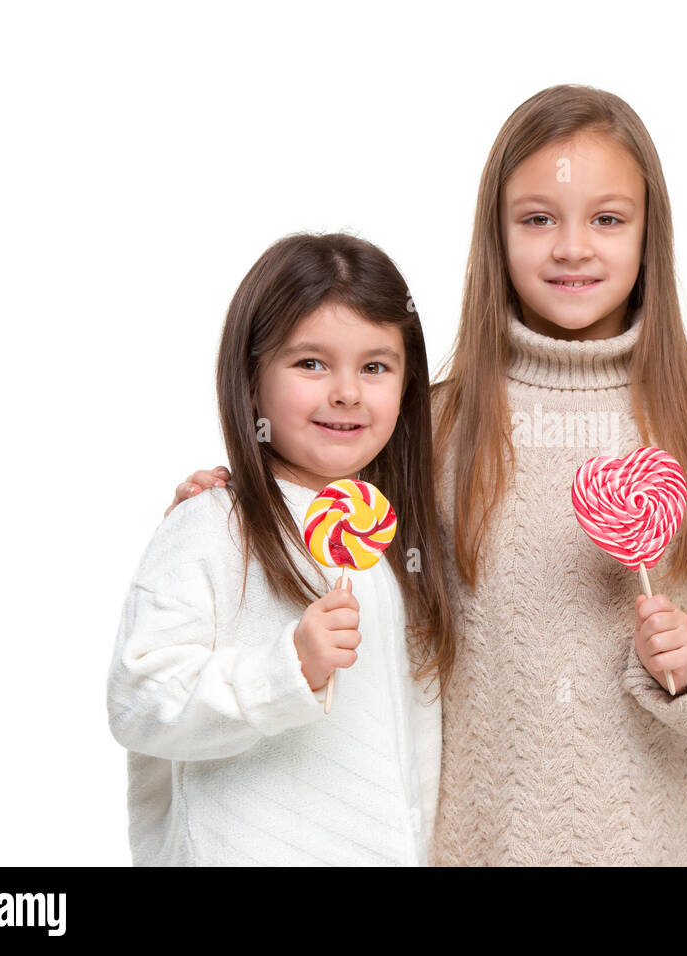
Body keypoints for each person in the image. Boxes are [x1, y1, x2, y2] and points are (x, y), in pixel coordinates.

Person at [174, 85, 687, 865]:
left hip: (635, 838)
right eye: (538, 219)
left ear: (650, 235)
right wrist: (245, 507)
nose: (572, 247)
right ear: (496, 234)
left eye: (608, 219)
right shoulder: (435, 423)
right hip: (458, 837)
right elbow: (343, 544)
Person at [110, 233, 454, 865]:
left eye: (375, 366)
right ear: (251, 377)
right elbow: (140, 702)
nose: (347, 392)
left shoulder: (400, 538)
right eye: (311, 364)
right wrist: (287, 666)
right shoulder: (213, 525)